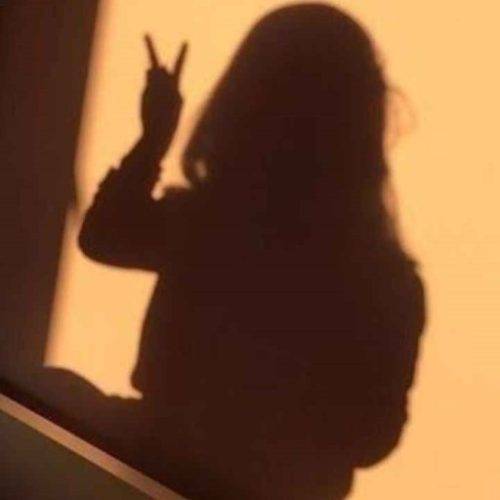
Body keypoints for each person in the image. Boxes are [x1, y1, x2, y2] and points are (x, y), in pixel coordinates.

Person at [79, 4, 425, 498]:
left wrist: (153, 139)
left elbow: (105, 236)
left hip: (148, 467)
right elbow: (373, 437)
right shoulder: (389, 283)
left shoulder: (209, 226)